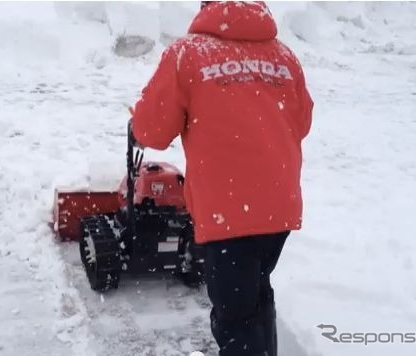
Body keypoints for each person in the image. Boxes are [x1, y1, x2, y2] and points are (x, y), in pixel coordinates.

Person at [131, 2, 313, 356]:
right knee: (257, 294)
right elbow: (302, 121)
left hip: (227, 212)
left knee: (236, 318)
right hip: (278, 207)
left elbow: (152, 130)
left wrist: (139, 119)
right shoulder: (284, 57)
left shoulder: (187, 54)